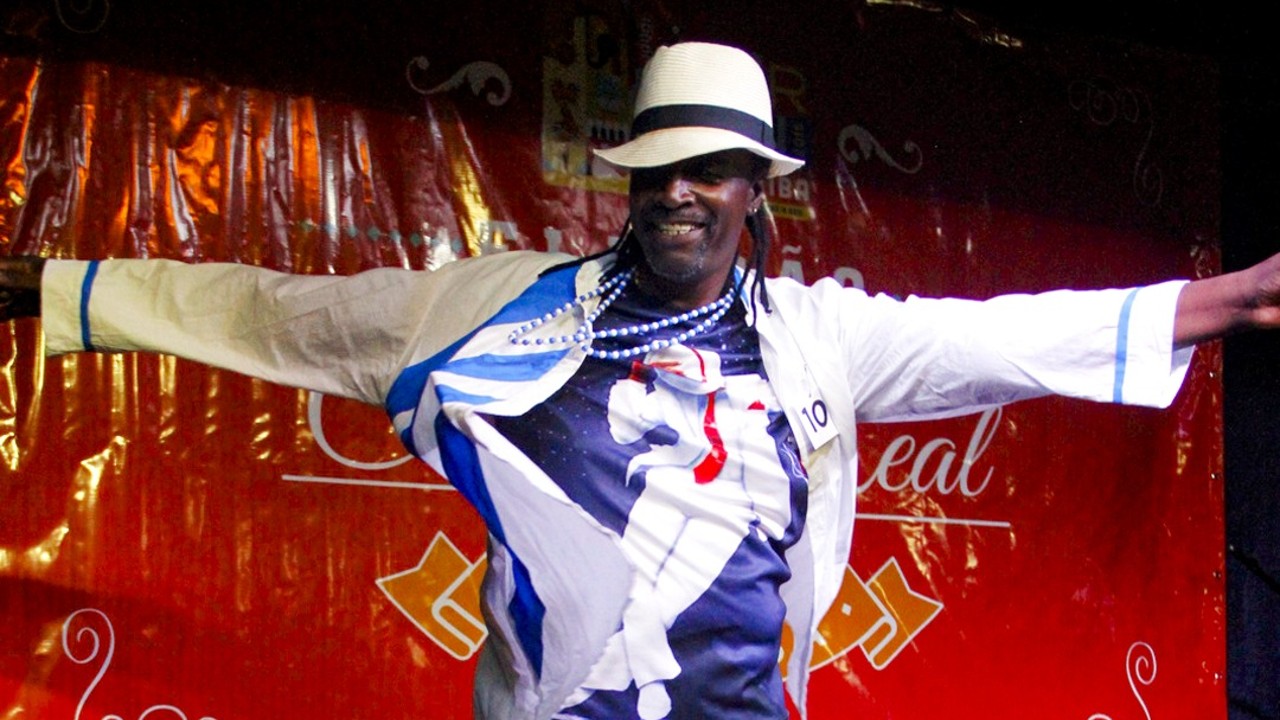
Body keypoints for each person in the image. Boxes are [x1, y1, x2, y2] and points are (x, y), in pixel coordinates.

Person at [1, 41, 1278, 720]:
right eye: (658, 165)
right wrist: (68, 290)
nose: (679, 190)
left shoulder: (813, 338)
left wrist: (1226, 299)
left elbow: (994, 338)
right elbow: (282, 312)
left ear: (753, 189)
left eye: (710, 167)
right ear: (628, 179)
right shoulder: (500, 308)